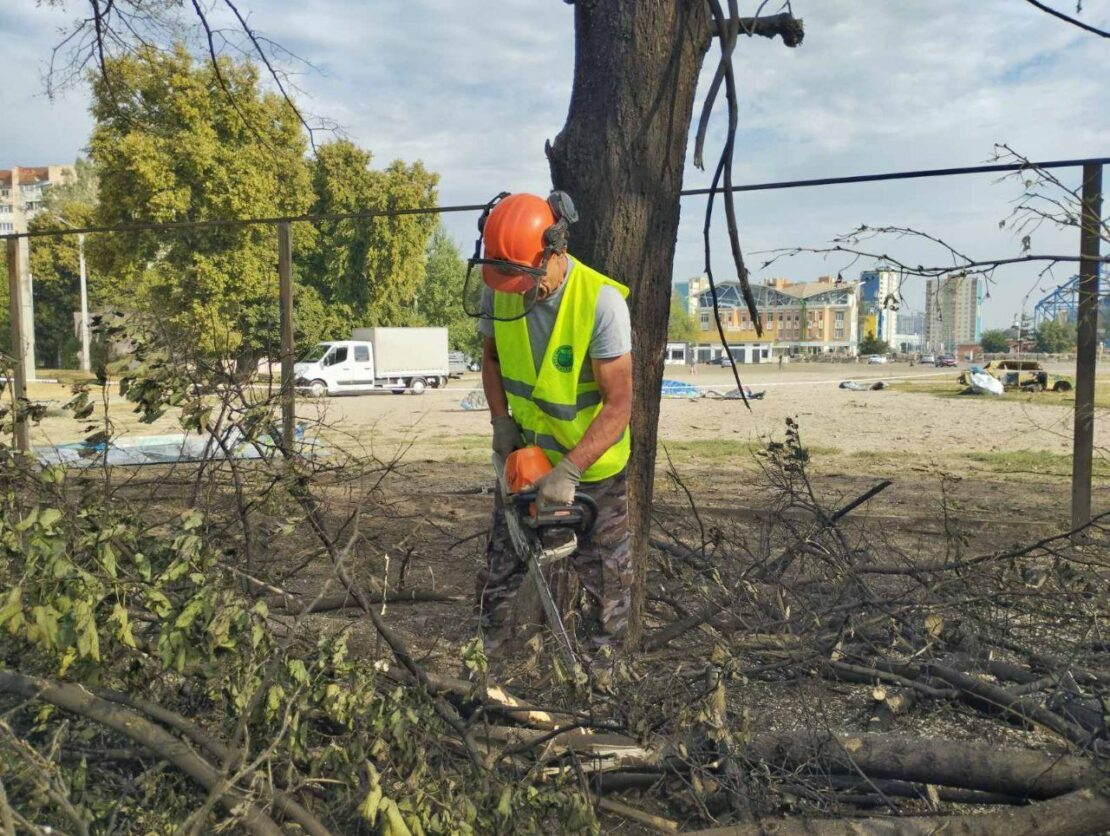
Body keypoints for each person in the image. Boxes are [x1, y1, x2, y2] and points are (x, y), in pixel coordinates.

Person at [470, 191, 633, 650]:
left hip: (592, 471)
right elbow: (493, 360)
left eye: (525, 279)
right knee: (500, 570)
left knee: (608, 584)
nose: (517, 290)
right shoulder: (499, 286)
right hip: (527, 456)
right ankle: (486, 671)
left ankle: (601, 684)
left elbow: (619, 404)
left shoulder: (600, 304)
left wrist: (572, 469)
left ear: (555, 250)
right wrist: (501, 423)